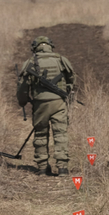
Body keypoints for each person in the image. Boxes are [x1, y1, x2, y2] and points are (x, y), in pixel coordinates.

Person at [16, 36, 75, 177]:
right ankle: (62, 167)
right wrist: (66, 91)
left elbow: (23, 87)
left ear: (35, 48)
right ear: (50, 46)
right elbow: (71, 78)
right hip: (59, 102)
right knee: (60, 133)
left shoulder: (30, 62)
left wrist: (23, 101)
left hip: (40, 104)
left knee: (41, 134)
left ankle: (42, 167)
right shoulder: (61, 60)